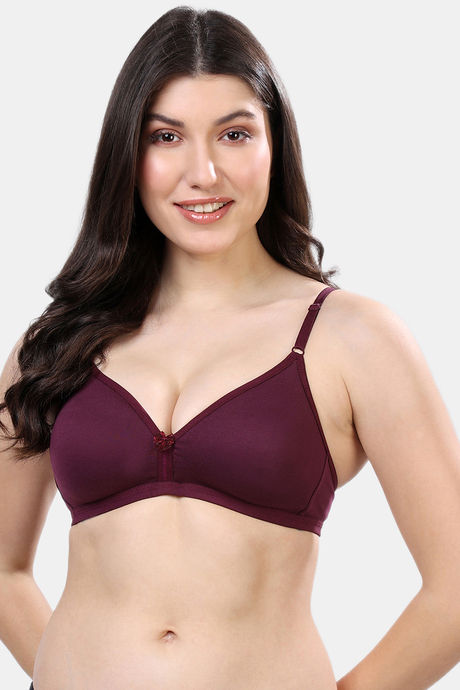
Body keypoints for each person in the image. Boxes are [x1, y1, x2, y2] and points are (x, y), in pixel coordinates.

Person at [1, 6, 460, 689]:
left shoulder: (351, 338)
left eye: (235, 134)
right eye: (166, 137)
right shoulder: (56, 343)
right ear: (128, 154)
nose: (204, 173)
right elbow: (3, 568)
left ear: (276, 145)